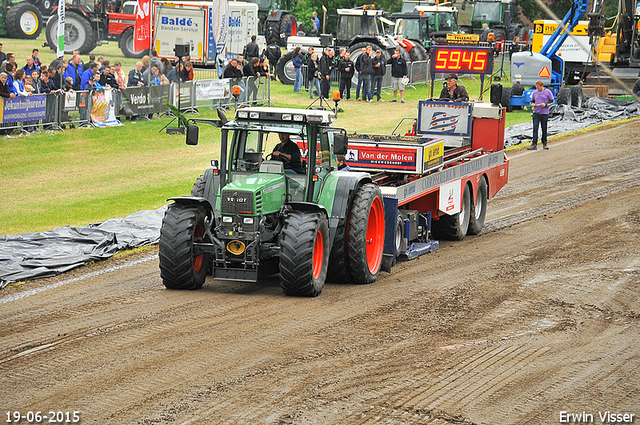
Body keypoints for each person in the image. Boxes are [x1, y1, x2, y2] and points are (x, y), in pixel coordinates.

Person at [528, 80, 554, 150]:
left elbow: (552, 101)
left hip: (544, 113)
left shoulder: (548, 92)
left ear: (541, 86)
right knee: (535, 128)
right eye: (536, 87)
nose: (537, 89)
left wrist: (545, 105)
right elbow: (532, 101)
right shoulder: (534, 92)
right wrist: (532, 104)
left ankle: (544, 143)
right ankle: (534, 144)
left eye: (538, 87)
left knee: (544, 128)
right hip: (536, 113)